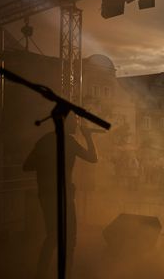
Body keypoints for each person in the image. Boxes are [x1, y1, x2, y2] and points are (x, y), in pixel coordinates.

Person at [23, 115, 98, 279]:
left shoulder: (44, 140)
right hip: (63, 196)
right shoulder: (69, 142)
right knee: (70, 238)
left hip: (46, 195)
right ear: (65, 124)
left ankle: (40, 274)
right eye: (74, 123)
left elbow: (26, 165)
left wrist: (46, 163)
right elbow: (93, 158)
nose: (76, 127)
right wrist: (88, 136)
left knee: (52, 235)